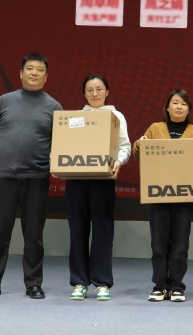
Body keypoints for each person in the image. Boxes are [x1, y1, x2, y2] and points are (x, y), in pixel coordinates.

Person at [0, 52, 62, 300]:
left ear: (46, 77)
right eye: (30, 68)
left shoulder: (54, 107)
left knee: (33, 235)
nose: (34, 73)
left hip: (37, 178)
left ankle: (33, 283)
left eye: (40, 70)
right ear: (20, 73)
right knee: (0, 233)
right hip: (4, 177)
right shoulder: (3, 101)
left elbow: (60, 142)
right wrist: (4, 157)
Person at [132, 89, 193, 303]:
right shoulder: (155, 129)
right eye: (175, 102)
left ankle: (176, 285)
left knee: (180, 244)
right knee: (158, 243)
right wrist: (139, 143)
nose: (179, 107)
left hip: (184, 195)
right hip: (159, 194)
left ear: (189, 109)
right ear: (167, 107)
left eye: (184, 103)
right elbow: (139, 152)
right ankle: (160, 285)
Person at [66, 74, 131, 302]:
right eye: (90, 90)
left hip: (103, 180)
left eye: (99, 89)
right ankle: (79, 282)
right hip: (76, 179)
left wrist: (119, 161)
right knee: (77, 230)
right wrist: (56, 162)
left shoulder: (116, 116)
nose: (95, 94)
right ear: (84, 94)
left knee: (103, 230)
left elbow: (124, 146)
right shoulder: (74, 118)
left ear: (107, 92)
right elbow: (64, 144)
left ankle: (102, 282)